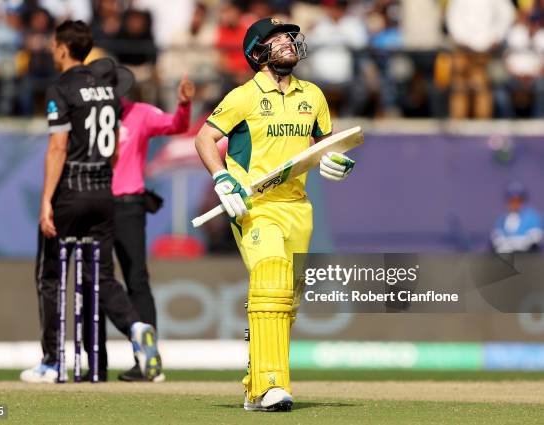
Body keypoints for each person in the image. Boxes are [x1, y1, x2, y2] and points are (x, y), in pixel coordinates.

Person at [194, 17, 355, 411]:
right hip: (255, 206)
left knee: (288, 302)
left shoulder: (312, 95)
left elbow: (324, 145)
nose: (288, 42)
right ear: (257, 51)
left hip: (298, 208)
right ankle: (270, 387)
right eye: (277, 38)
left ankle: (255, 386)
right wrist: (222, 179)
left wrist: (335, 161)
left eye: (289, 37)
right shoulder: (243, 96)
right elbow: (205, 138)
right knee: (270, 277)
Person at [20, 20, 161, 383]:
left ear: (64, 48)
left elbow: (57, 148)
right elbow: (113, 148)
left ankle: (53, 361)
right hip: (104, 193)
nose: (52, 50)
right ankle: (136, 327)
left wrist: (46, 202)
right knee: (102, 277)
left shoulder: (61, 88)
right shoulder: (108, 91)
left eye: (54, 45)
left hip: (71, 190)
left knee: (51, 275)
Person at [109, 74, 194, 381]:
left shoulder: (141, 113)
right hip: (98, 204)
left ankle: (146, 359)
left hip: (129, 204)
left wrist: (183, 105)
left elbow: (176, 126)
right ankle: (104, 357)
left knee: (135, 279)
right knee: (103, 281)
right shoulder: (91, 117)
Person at [491, 182, 543, 253]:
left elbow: (535, 240)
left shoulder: (533, 217)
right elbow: (496, 239)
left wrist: (516, 245)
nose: (514, 204)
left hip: (527, 259)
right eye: (511, 200)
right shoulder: (501, 219)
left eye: (518, 200)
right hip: (506, 259)